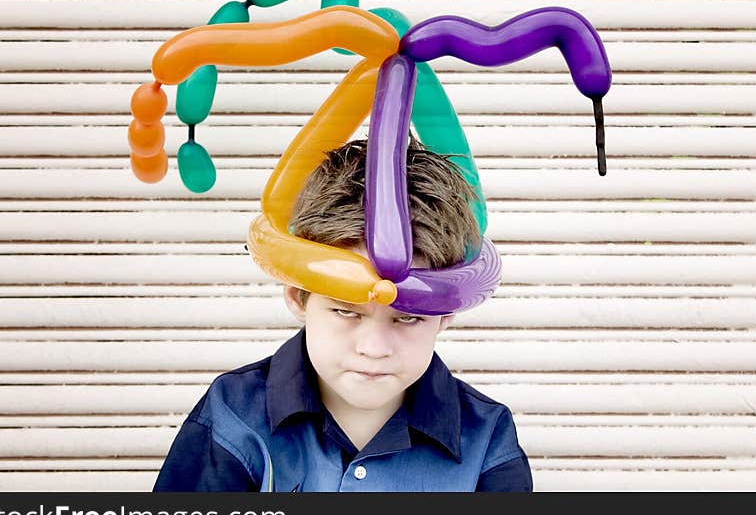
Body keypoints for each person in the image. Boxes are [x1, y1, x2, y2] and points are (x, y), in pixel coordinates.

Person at [153, 136, 532, 491]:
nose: (374, 348)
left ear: (445, 315)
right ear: (298, 298)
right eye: (345, 311)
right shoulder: (234, 414)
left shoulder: (487, 441)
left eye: (408, 317)